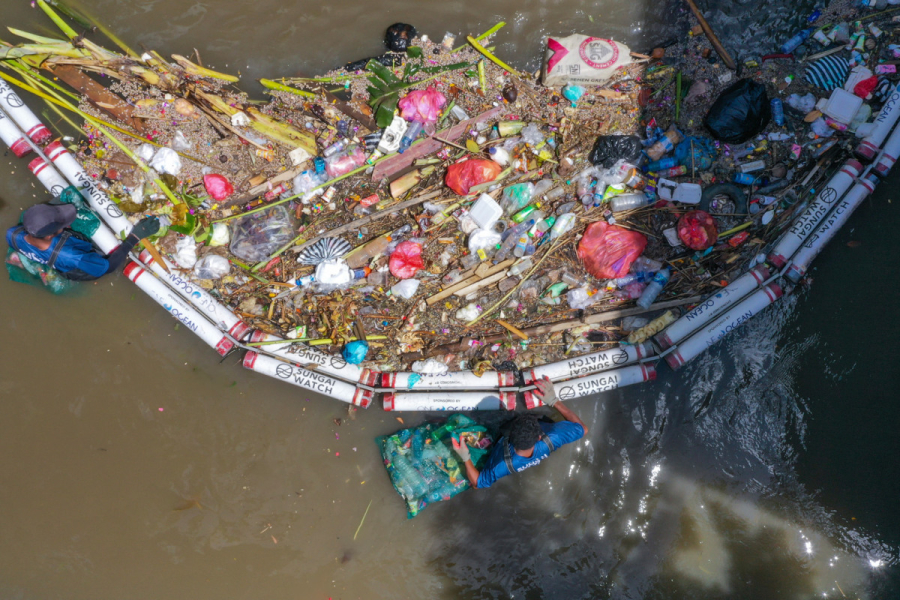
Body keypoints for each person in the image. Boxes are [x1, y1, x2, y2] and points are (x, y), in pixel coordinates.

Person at [452, 376, 587, 488]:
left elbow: (477, 483)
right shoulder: (554, 437)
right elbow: (583, 429)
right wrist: (554, 401)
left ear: (510, 437)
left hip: (500, 433)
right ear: (539, 437)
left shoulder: (502, 465)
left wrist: (465, 457)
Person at [6, 202, 159, 282]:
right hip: (77, 267)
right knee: (103, 261)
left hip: (54, 257)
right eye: (61, 225)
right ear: (49, 236)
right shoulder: (72, 256)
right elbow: (109, 267)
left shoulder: (12, 234)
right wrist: (134, 238)